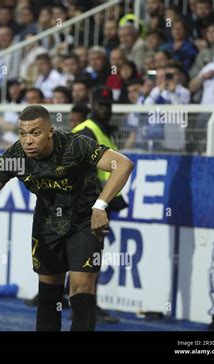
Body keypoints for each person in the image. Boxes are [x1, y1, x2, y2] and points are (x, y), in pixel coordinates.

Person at [0, 105, 134, 331]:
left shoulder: (75, 146)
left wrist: (101, 205)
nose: (28, 141)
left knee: (82, 290)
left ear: (50, 132)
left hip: (84, 222)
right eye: (22, 134)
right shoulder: (15, 157)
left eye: (35, 133)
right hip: (47, 225)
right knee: (49, 296)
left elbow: (123, 164)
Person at [71, 86, 130, 322]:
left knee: (87, 260)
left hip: (99, 203)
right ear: (92, 104)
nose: (105, 109)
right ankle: (85, 309)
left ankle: (79, 305)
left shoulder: (104, 131)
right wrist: (101, 201)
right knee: (88, 261)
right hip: (91, 205)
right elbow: (83, 171)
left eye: (108, 105)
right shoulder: (87, 130)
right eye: (101, 104)